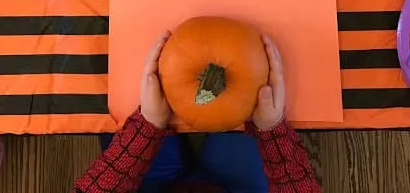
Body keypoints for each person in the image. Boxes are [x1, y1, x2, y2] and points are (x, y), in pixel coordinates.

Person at [75, 32, 321, 192]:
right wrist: (271, 131)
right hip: (235, 187)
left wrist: (147, 127)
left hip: (150, 186)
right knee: (242, 117)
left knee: (114, 102)